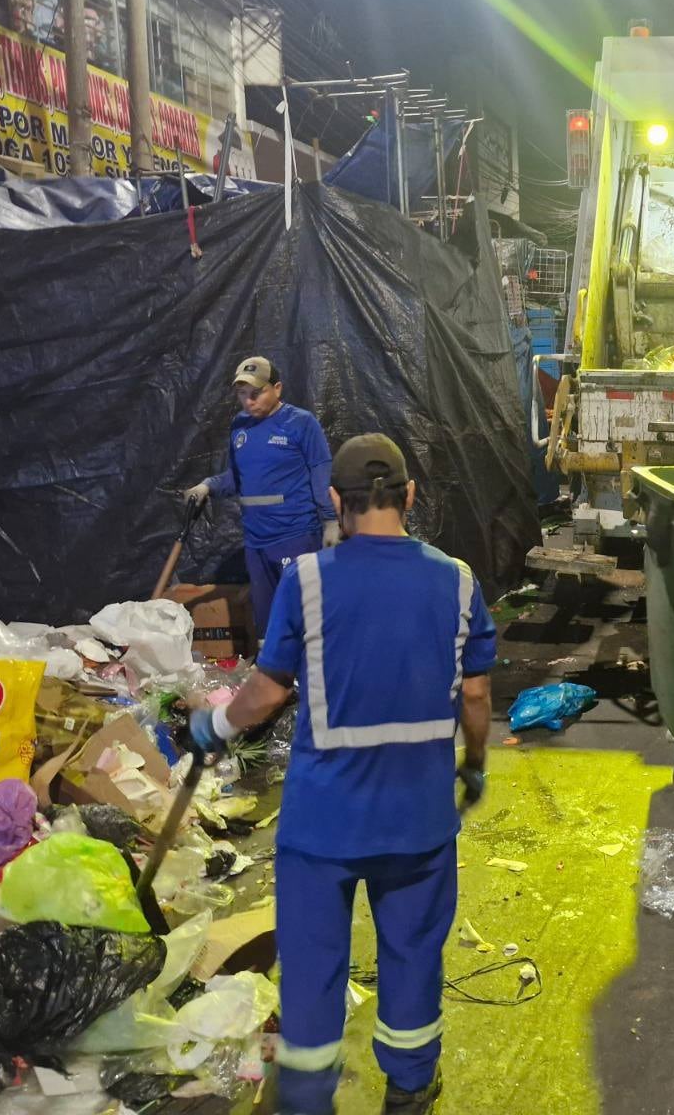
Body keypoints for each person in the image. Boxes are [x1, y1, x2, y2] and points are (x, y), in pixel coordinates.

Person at [190, 433, 495, 1115]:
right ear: (410, 496)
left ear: (336, 500)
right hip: (417, 821)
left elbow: (266, 694)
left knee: (313, 967)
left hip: (323, 825)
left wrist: (213, 727)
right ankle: (411, 1090)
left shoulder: (306, 580)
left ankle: (305, 1100)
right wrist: (474, 765)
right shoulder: (458, 580)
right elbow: (475, 696)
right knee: (413, 955)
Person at [184, 356, 340, 638]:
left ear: (277, 388)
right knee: (267, 620)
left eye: (256, 393)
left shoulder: (301, 424)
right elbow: (237, 477)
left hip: (295, 535)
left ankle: (307, 677)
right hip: (256, 542)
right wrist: (208, 485)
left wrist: (330, 520)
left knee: (300, 616)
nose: (248, 402)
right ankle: (271, 676)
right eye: (242, 394)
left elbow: (320, 472)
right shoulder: (239, 427)